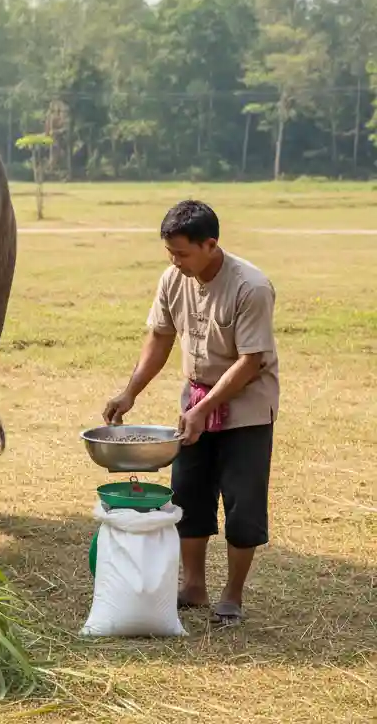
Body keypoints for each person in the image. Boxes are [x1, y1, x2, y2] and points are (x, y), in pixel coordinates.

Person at [102, 199, 279, 628]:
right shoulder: (172, 279)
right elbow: (160, 339)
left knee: (243, 505)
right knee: (188, 494)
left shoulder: (250, 287)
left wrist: (203, 409)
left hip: (246, 410)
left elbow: (251, 361)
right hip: (195, 406)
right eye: (170, 253)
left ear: (211, 244)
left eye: (182, 253)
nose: (175, 262)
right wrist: (130, 393)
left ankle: (232, 597)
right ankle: (193, 586)